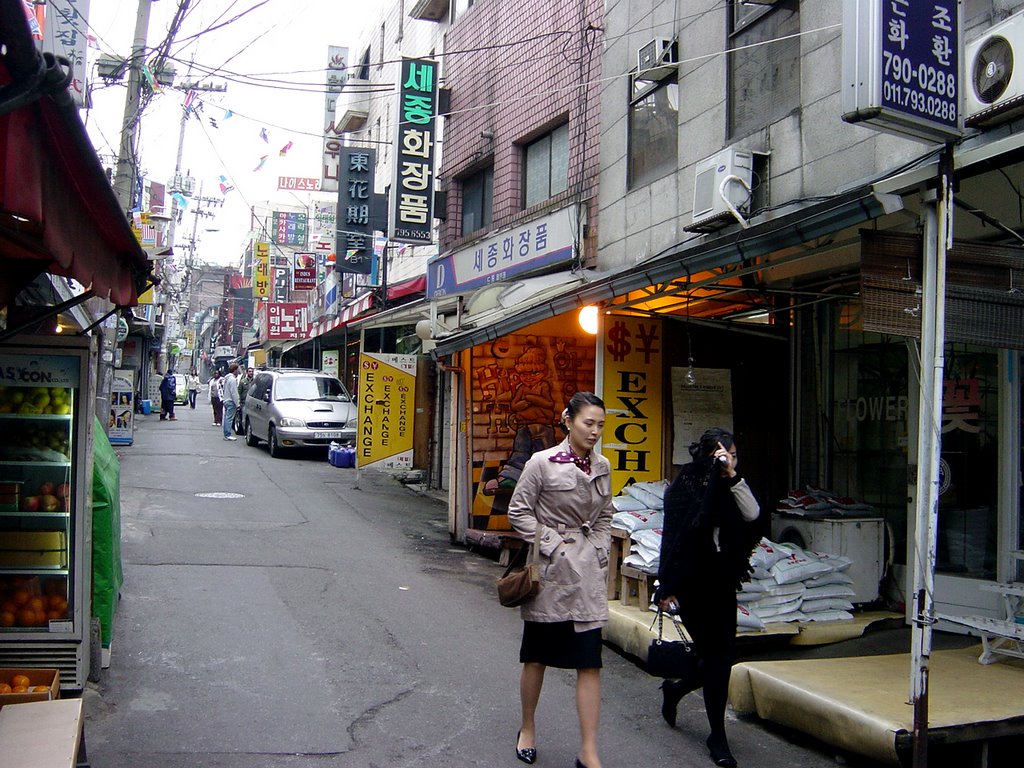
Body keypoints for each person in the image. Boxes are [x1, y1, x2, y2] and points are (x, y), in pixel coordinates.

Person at [507, 392, 613, 768]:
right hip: (550, 576)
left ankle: (589, 750)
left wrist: (598, 548)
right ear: (568, 420)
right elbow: (518, 511)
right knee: (537, 658)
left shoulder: (602, 466)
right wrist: (552, 544)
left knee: (589, 662)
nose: (595, 431)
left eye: (601, 425)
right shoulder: (542, 463)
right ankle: (528, 728)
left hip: (586, 578)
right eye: (589, 423)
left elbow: (605, 515)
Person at [655, 428, 762, 768]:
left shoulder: (730, 483)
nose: (731, 459)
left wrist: (730, 475)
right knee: (715, 657)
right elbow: (675, 534)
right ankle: (715, 733)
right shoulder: (688, 483)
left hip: (721, 582)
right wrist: (666, 584)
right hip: (691, 583)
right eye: (725, 454)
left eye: (733, 455)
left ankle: (680, 695)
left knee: (718, 657)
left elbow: (752, 515)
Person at [221, 363, 240, 441]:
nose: (238, 371)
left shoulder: (227, 378)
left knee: (226, 418)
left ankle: (226, 433)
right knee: (229, 418)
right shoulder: (232, 380)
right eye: (237, 369)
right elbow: (234, 393)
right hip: (230, 400)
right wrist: (237, 404)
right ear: (234, 370)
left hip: (226, 399)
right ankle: (227, 434)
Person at [234, 366, 254, 434]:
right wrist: (238, 402)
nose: (251, 373)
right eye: (249, 371)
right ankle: (244, 431)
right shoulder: (243, 382)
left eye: (252, 371)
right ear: (247, 372)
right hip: (244, 402)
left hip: (252, 403)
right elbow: (239, 392)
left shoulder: (255, 382)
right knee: (243, 418)